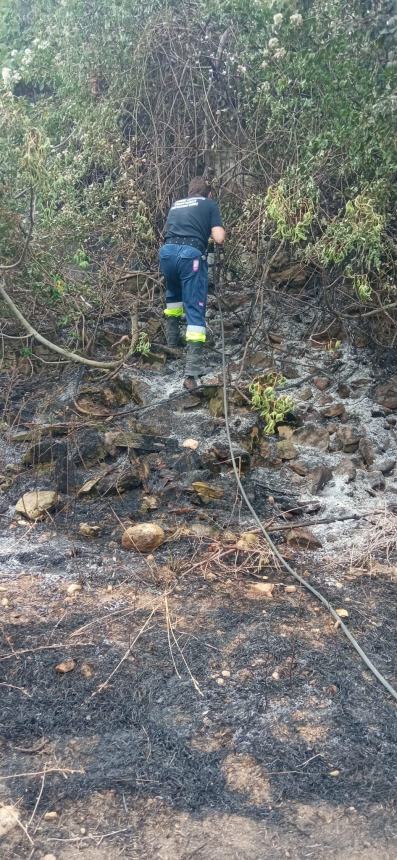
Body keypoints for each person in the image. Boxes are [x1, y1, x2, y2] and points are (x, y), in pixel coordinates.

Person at [159, 176, 225, 392]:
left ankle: (171, 344)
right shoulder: (210, 204)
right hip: (190, 256)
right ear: (209, 193)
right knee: (195, 308)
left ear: (190, 191)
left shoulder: (177, 204)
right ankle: (191, 371)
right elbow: (218, 237)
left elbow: (169, 230)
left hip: (167, 254)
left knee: (173, 297)